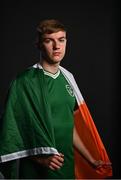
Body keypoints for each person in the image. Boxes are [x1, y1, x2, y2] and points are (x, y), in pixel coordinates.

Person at [0, 19, 112, 179]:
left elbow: (69, 126)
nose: (56, 46)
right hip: (38, 171)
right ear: (39, 44)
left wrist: (91, 160)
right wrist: (39, 157)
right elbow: (12, 132)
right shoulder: (24, 81)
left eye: (61, 40)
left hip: (66, 166)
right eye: (48, 41)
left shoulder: (68, 78)